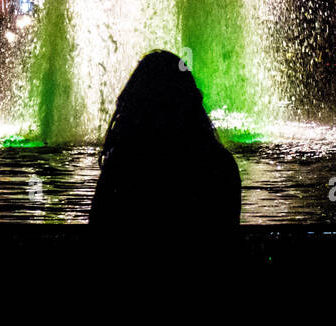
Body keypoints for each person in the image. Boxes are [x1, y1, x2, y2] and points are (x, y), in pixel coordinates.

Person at [90, 50, 240, 228]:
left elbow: (99, 229)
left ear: (136, 103)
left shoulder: (124, 166)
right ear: (190, 100)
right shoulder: (219, 164)